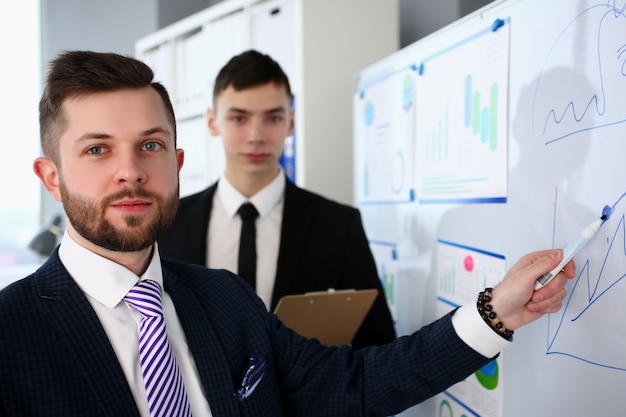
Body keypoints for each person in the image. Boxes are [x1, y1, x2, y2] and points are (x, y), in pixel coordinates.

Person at [0, 50, 574, 417]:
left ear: (175, 160)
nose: (130, 170)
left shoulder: (224, 300)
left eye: (149, 145)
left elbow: (357, 383)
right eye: (97, 149)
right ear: (50, 176)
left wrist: (495, 313)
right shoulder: (11, 334)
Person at [158, 50, 396, 348]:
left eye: (272, 117)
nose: (256, 135)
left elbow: (376, 343)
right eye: (239, 118)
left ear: (291, 122)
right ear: (212, 122)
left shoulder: (338, 224)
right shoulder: (169, 221)